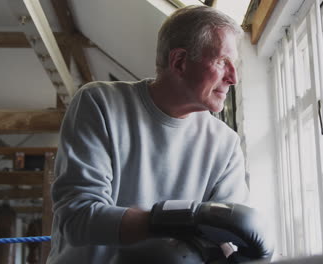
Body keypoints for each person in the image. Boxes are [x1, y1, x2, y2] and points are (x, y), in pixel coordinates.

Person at [47, 5, 272, 264]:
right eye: (222, 62)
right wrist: (186, 218)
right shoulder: (100, 103)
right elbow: (78, 217)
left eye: (235, 65)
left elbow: (226, 238)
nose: (233, 77)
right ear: (179, 62)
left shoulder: (225, 144)